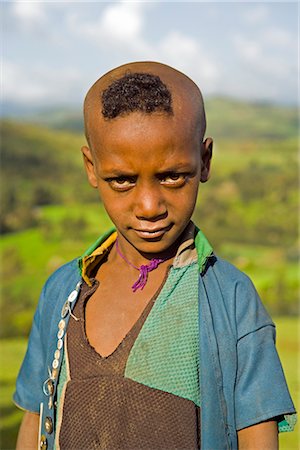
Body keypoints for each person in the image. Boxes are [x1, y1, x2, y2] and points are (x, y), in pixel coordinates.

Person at [14, 61, 296, 450]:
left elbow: (257, 437)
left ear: (205, 161)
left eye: (172, 176)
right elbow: (36, 416)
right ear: (91, 168)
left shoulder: (230, 300)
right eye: (122, 180)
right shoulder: (62, 291)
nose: (149, 206)